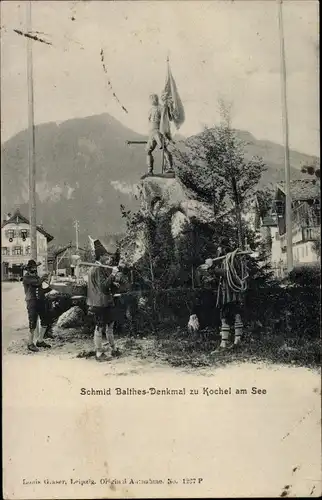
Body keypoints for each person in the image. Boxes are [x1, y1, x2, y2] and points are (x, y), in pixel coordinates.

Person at [87, 240, 121, 362]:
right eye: (105, 256)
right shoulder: (97, 269)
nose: (107, 258)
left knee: (110, 325)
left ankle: (113, 348)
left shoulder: (98, 268)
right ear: (100, 256)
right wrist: (112, 275)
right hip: (100, 302)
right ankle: (98, 353)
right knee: (100, 326)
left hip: (104, 301)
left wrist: (113, 282)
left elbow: (105, 285)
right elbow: (102, 287)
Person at [22, 259, 52, 352]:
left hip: (40, 301)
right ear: (29, 269)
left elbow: (41, 289)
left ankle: (40, 340)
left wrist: (51, 287)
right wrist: (44, 277)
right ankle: (30, 343)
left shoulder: (36, 277)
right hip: (31, 302)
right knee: (32, 322)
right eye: (32, 268)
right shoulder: (26, 278)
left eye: (35, 267)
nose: (34, 269)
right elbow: (37, 283)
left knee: (45, 319)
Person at [145, 93, 173, 175]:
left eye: (153, 99)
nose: (152, 101)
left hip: (158, 131)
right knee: (148, 151)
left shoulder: (161, 108)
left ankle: (170, 167)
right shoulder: (150, 110)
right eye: (151, 99)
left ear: (156, 99)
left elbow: (166, 119)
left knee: (164, 149)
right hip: (151, 132)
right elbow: (149, 121)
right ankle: (150, 171)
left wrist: (167, 107)